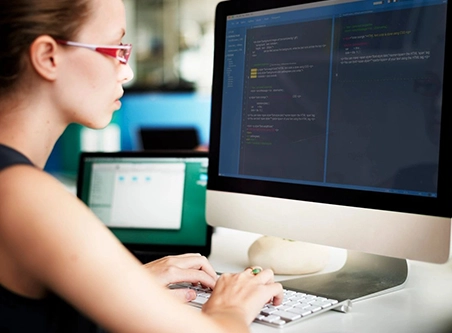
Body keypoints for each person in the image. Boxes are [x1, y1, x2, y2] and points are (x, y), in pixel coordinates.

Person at [0, 1, 284, 332]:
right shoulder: (27, 198)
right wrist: (230, 305)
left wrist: (126, 282)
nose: (127, 71)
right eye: (116, 48)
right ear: (49, 56)